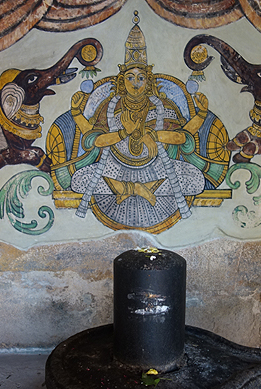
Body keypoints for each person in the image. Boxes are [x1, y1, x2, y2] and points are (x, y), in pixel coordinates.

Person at [69, 11, 208, 233]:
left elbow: (182, 137)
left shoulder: (161, 105)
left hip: (157, 168)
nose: (135, 83)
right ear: (122, 81)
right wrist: (124, 132)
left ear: (148, 81)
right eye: (130, 77)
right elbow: (95, 140)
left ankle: (128, 189)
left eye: (141, 78)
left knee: (195, 180)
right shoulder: (110, 106)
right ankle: (139, 189)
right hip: (115, 168)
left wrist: (151, 135)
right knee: (79, 180)